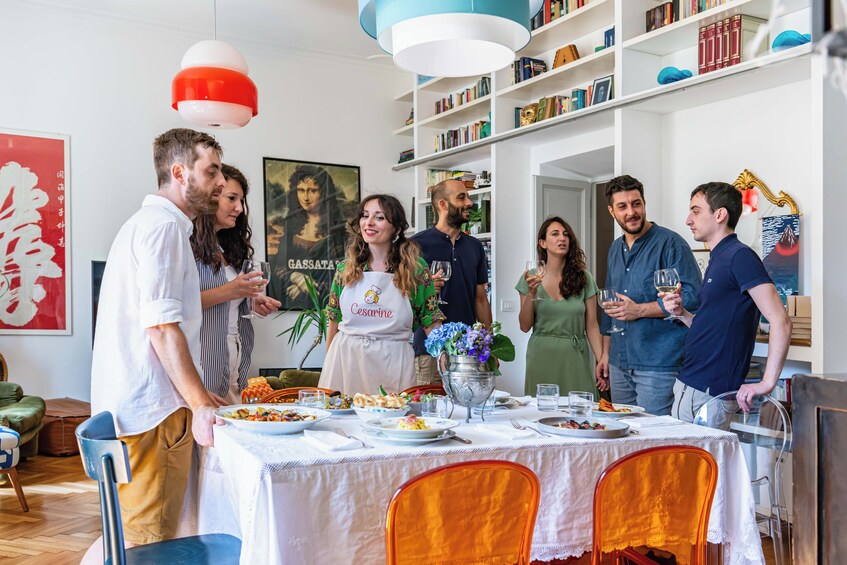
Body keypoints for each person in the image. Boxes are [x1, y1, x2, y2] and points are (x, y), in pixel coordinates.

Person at [87, 128, 226, 559]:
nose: (221, 182)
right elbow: (162, 328)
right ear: (180, 172)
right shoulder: (164, 228)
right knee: (151, 544)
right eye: (213, 170)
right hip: (154, 414)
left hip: (138, 409)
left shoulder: (145, 224)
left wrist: (201, 394)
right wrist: (199, 404)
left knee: (133, 535)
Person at [662, 182, 792, 422]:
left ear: (720, 214)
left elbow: (780, 320)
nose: (688, 220)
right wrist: (682, 313)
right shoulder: (718, 258)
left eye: (696, 211)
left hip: (709, 394)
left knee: (706, 461)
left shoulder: (739, 256)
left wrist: (766, 382)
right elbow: (713, 326)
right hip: (690, 386)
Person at [318, 194, 445, 394]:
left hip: (393, 361)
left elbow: (430, 319)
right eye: (365, 216)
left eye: (379, 217)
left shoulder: (416, 270)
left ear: (396, 228)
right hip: (347, 360)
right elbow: (334, 320)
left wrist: (447, 362)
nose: (369, 223)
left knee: (396, 420)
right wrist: (329, 363)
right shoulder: (346, 269)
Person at [598, 174, 702, 416]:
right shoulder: (615, 248)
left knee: (655, 440)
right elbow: (609, 309)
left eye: (636, 204)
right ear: (612, 211)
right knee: (626, 434)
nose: (631, 212)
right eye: (622, 206)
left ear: (644, 204)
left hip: (658, 364)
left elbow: (692, 295)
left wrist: (640, 310)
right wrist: (605, 353)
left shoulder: (671, 244)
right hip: (619, 361)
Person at [191, 164, 281, 404]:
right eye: (232, 198)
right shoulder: (186, 247)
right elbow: (177, 304)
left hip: (235, 360)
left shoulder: (226, 249)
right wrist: (230, 291)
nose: (240, 208)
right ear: (211, 196)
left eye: (241, 200)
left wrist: (252, 304)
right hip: (202, 364)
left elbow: (229, 304)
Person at [411, 179, 492, 385]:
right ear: (443, 205)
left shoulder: (475, 247)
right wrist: (425, 290)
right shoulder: (416, 245)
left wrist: (490, 347)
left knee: (470, 414)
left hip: (469, 351)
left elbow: (481, 300)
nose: (469, 203)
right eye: (461, 197)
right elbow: (403, 299)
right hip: (429, 352)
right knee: (429, 414)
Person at [517, 217, 607, 397]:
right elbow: (525, 326)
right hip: (541, 355)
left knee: (582, 413)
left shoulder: (584, 278)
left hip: (575, 355)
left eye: (566, 235)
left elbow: (592, 325)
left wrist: (601, 359)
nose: (562, 238)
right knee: (541, 412)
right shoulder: (531, 277)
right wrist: (531, 295)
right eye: (555, 234)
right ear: (543, 243)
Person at [269, 164, 346, 309]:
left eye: (312, 190)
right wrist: (297, 277)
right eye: (301, 190)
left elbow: (343, 277)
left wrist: (304, 287)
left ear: (324, 193)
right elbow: (277, 267)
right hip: (289, 307)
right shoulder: (288, 228)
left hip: (327, 309)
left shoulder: (338, 232)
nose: (305, 197)